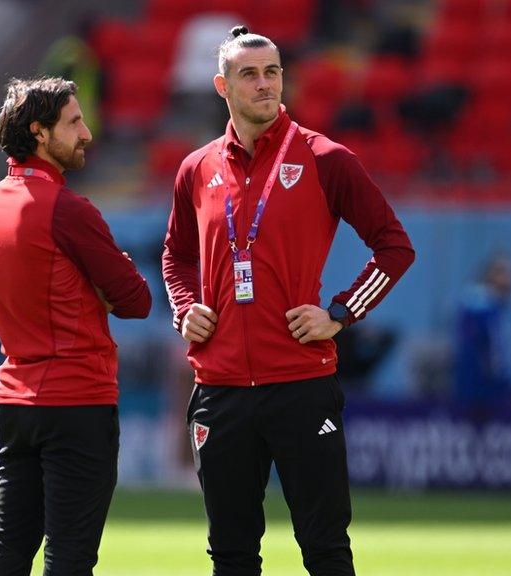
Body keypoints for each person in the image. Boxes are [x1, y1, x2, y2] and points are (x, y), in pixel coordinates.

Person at [162, 26, 416, 576]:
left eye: (272, 71)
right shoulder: (196, 168)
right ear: (222, 87)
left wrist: (340, 313)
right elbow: (174, 256)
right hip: (221, 389)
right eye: (249, 75)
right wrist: (184, 307)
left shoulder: (326, 158)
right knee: (230, 554)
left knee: (325, 550)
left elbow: (395, 248)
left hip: (302, 384)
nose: (264, 84)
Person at [0, 77, 152, 576]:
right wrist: (108, 274)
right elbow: (136, 300)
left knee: (10, 550)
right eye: (73, 122)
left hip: (14, 402)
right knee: (70, 559)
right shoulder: (68, 210)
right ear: (39, 132)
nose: (87, 133)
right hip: (77, 401)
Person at [454, 253, 511, 411]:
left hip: (484, 390)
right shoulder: (482, 308)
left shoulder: (493, 307)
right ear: (491, 275)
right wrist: (499, 387)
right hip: (481, 395)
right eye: (504, 273)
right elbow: (487, 354)